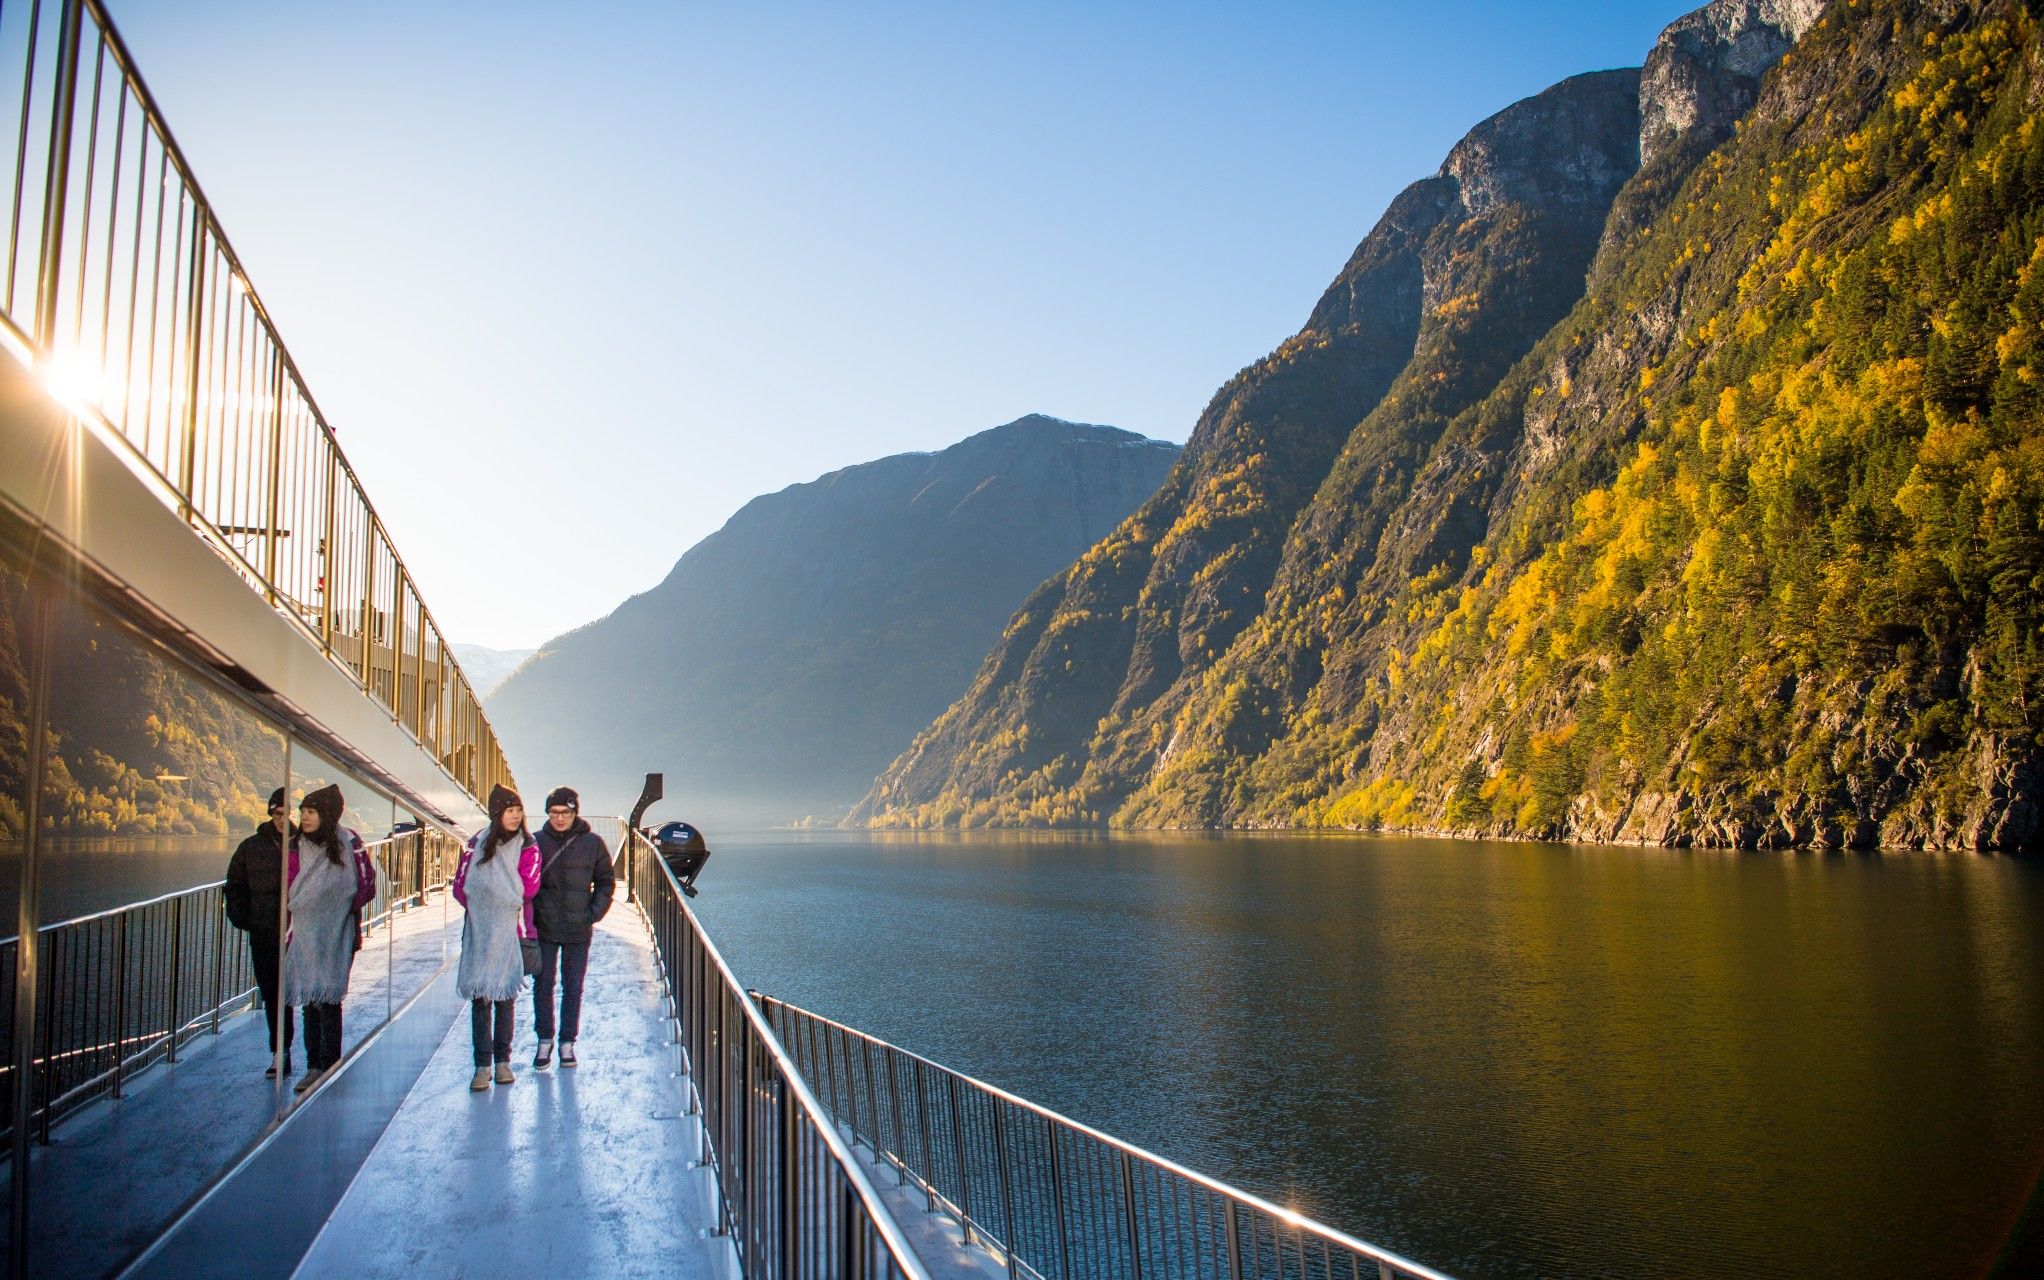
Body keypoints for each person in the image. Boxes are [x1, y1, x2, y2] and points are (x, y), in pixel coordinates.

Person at [286, 783, 377, 1093]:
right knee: (310, 998)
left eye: (311, 812)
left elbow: (366, 884)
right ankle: (313, 1065)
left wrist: (340, 911)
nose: (305, 817)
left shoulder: (348, 841)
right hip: (306, 933)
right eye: (303, 812)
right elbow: (291, 885)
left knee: (329, 997)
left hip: (339, 932)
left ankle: (330, 1063)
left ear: (326, 814)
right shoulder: (297, 844)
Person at [452, 784, 540, 1091]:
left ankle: (502, 1062)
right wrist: (488, 907)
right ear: (496, 813)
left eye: (518, 810)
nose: (515, 816)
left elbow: (527, 890)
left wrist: (489, 895)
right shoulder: (476, 843)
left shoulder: (528, 846)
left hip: (511, 932)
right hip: (479, 931)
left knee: (504, 998)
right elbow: (461, 887)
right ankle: (481, 1066)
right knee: (481, 999)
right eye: (509, 810)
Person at [530, 786, 614, 1070]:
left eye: (565, 812)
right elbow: (526, 882)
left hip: (579, 928)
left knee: (573, 986)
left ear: (575, 811)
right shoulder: (536, 842)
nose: (560, 818)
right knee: (543, 986)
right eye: (554, 813)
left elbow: (606, 881)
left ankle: (567, 1043)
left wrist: (593, 914)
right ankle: (544, 1041)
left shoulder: (593, 843)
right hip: (545, 927)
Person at [225, 788, 295, 1077]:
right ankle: (281, 1053)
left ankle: (299, 1054)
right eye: (278, 814)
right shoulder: (249, 848)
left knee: (290, 993)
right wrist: (246, 919)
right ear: (271, 813)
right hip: (264, 933)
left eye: (287, 814)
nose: (282, 819)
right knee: (272, 993)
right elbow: (234, 886)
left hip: (293, 932)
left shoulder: (300, 844)